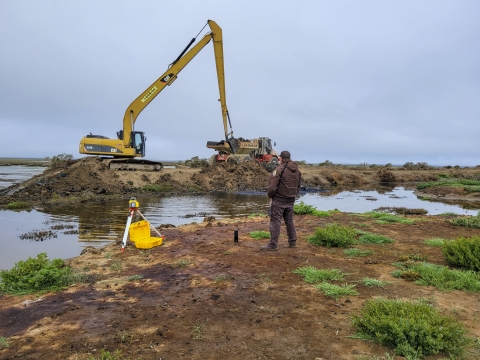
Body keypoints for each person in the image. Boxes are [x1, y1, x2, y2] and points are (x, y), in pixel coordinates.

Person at [261, 150, 302, 251]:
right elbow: (299, 186)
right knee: (289, 221)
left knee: (275, 221)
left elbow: (272, 187)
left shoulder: (279, 169)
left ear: (281, 159)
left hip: (279, 200)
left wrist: (271, 196)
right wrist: (292, 195)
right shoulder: (297, 171)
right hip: (291, 200)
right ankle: (292, 242)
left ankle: (273, 244)